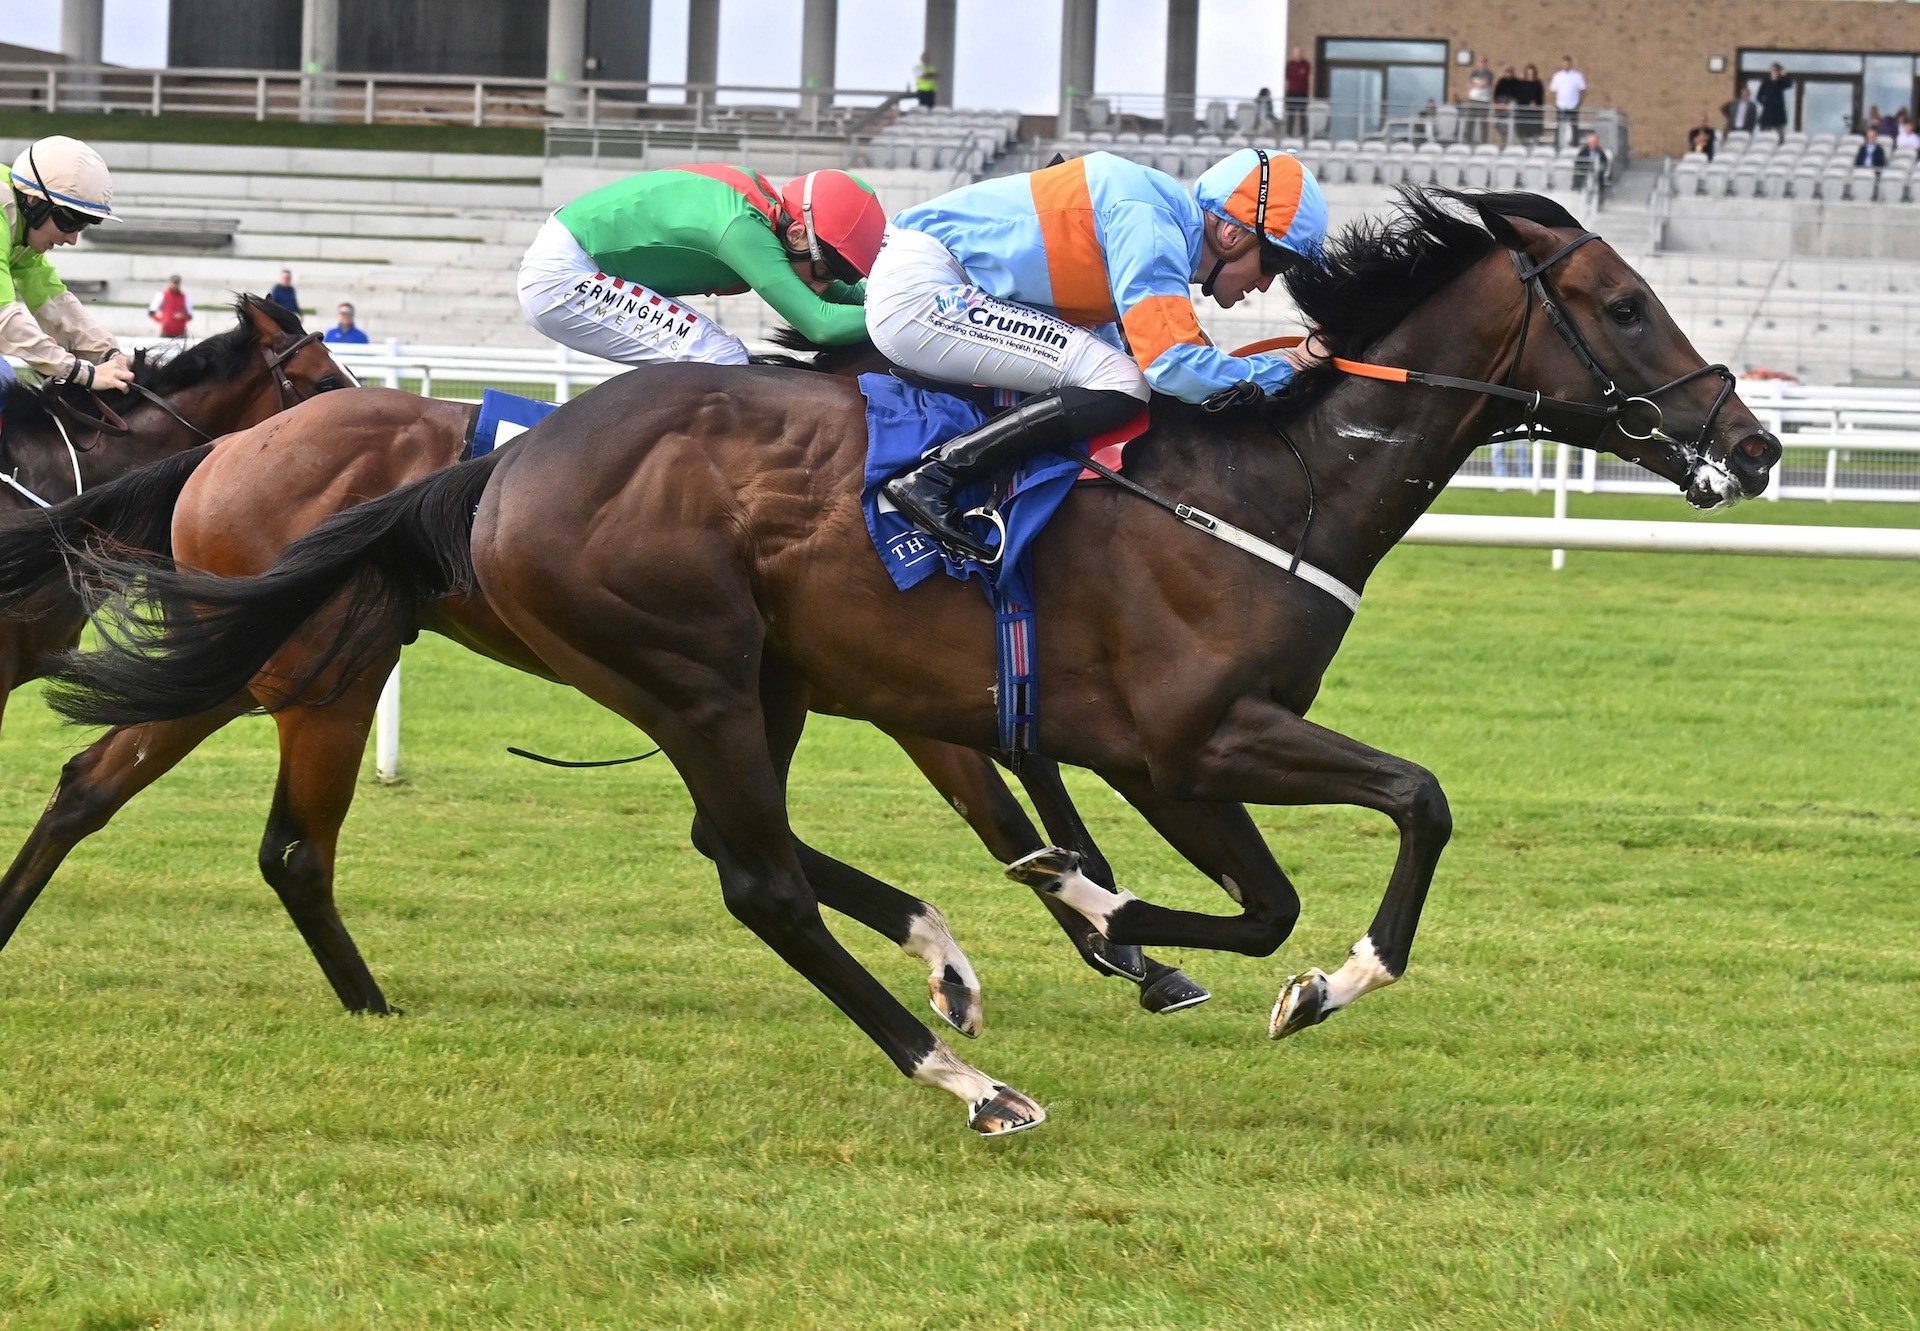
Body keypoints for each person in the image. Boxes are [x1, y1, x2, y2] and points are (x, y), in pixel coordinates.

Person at [866, 148, 1326, 559]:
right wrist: (1289, 367)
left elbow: (1156, 347)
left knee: (1114, 375)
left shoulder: (1158, 216)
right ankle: (935, 477)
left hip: (928, 283)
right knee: (1121, 381)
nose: (1266, 284)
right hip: (925, 291)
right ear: (1230, 233)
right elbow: (1172, 364)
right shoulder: (1151, 220)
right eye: (1275, 263)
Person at [517, 164, 885, 367]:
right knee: (719, 358)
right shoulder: (743, 230)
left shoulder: (772, 220)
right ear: (798, 236)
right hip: (563, 276)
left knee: (719, 358)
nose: (825, 286)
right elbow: (821, 324)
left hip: (578, 261)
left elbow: (850, 292)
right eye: (825, 273)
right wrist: (907, 314)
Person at [0, 134, 135, 396]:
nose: (73, 239)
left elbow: (53, 301)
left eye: (83, 225)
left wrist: (107, 352)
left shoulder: (19, 226)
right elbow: (4, 321)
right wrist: (82, 373)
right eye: (70, 222)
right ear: (34, 201)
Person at [1549, 55, 1586, 144]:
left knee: (1574, 126)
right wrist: (1555, 103)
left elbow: (1582, 90)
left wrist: (1579, 103)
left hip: (1573, 105)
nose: (1566, 65)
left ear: (1571, 64)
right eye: (1564, 64)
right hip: (1561, 105)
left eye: (1568, 64)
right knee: (1559, 126)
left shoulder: (1577, 76)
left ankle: (1575, 144)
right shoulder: (1557, 76)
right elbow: (1553, 91)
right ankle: (1557, 145)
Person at [148, 273, 193, 338]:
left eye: (177, 283)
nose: (175, 285)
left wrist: (183, 316)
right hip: (166, 333)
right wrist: (163, 321)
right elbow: (151, 313)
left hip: (181, 334)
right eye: (173, 282)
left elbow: (190, 316)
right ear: (169, 283)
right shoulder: (161, 295)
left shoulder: (185, 297)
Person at [1756, 63, 1793, 143]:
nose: (1774, 72)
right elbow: (1759, 96)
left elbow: (1789, 84)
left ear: (1779, 71)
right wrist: (1766, 104)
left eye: (1776, 70)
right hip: (1767, 115)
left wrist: (1784, 75)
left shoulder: (1781, 81)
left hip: (1779, 115)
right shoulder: (1765, 81)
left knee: (1780, 139)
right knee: (1764, 139)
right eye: (1772, 70)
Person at [1464, 56, 1494, 145]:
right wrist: (1477, 84)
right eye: (1481, 61)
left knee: (1483, 122)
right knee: (1470, 121)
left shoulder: (1489, 73)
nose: (1482, 63)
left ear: (1486, 63)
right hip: (1473, 100)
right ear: (1478, 63)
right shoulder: (1474, 73)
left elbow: (1484, 84)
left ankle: (1484, 142)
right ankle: (1468, 141)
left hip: (1484, 101)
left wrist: (1475, 84)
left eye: (1484, 62)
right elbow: (1468, 85)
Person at [1572, 130, 1610, 201]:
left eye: (1594, 142)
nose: (1592, 144)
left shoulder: (1599, 151)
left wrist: (1602, 168)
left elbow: (1604, 162)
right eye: (1590, 142)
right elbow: (1578, 160)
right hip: (1585, 171)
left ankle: (1599, 196)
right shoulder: (1584, 150)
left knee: (1599, 177)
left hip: (1596, 171)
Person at [1492, 64, 1524, 145]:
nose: (1508, 73)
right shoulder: (1501, 81)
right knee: (1500, 125)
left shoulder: (1517, 82)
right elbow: (1496, 94)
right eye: (1506, 71)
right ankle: (1503, 142)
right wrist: (1498, 103)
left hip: (1511, 105)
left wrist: (1507, 104)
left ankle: (1511, 143)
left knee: (1511, 125)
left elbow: (1518, 95)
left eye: (1510, 71)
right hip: (1500, 105)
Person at [1283, 46, 1312, 136]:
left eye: (1299, 52)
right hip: (1291, 92)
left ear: (1302, 53)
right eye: (1296, 52)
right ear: (1293, 53)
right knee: (1290, 114)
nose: (1297, 54)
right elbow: (1288, 77)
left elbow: (1304, 76)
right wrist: (1298, 74)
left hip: (1302, 92)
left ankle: (1304, 134)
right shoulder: (1290, 64)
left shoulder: (1306, 64)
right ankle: (1289, 133)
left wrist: (1297, 75)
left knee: (1303, 114)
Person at [1513, 63, 1545, 143]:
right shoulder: (1521, 83)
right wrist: (1527, 103)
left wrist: (1536, 103)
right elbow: (1519, 97)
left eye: (1532, 73)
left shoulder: (1538, 84)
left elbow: (1540, 98)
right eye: (1528, 73)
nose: (1530, 75)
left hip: (1534, 114)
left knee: (1534, 135)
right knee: (1523, 136)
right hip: (1523, 114)